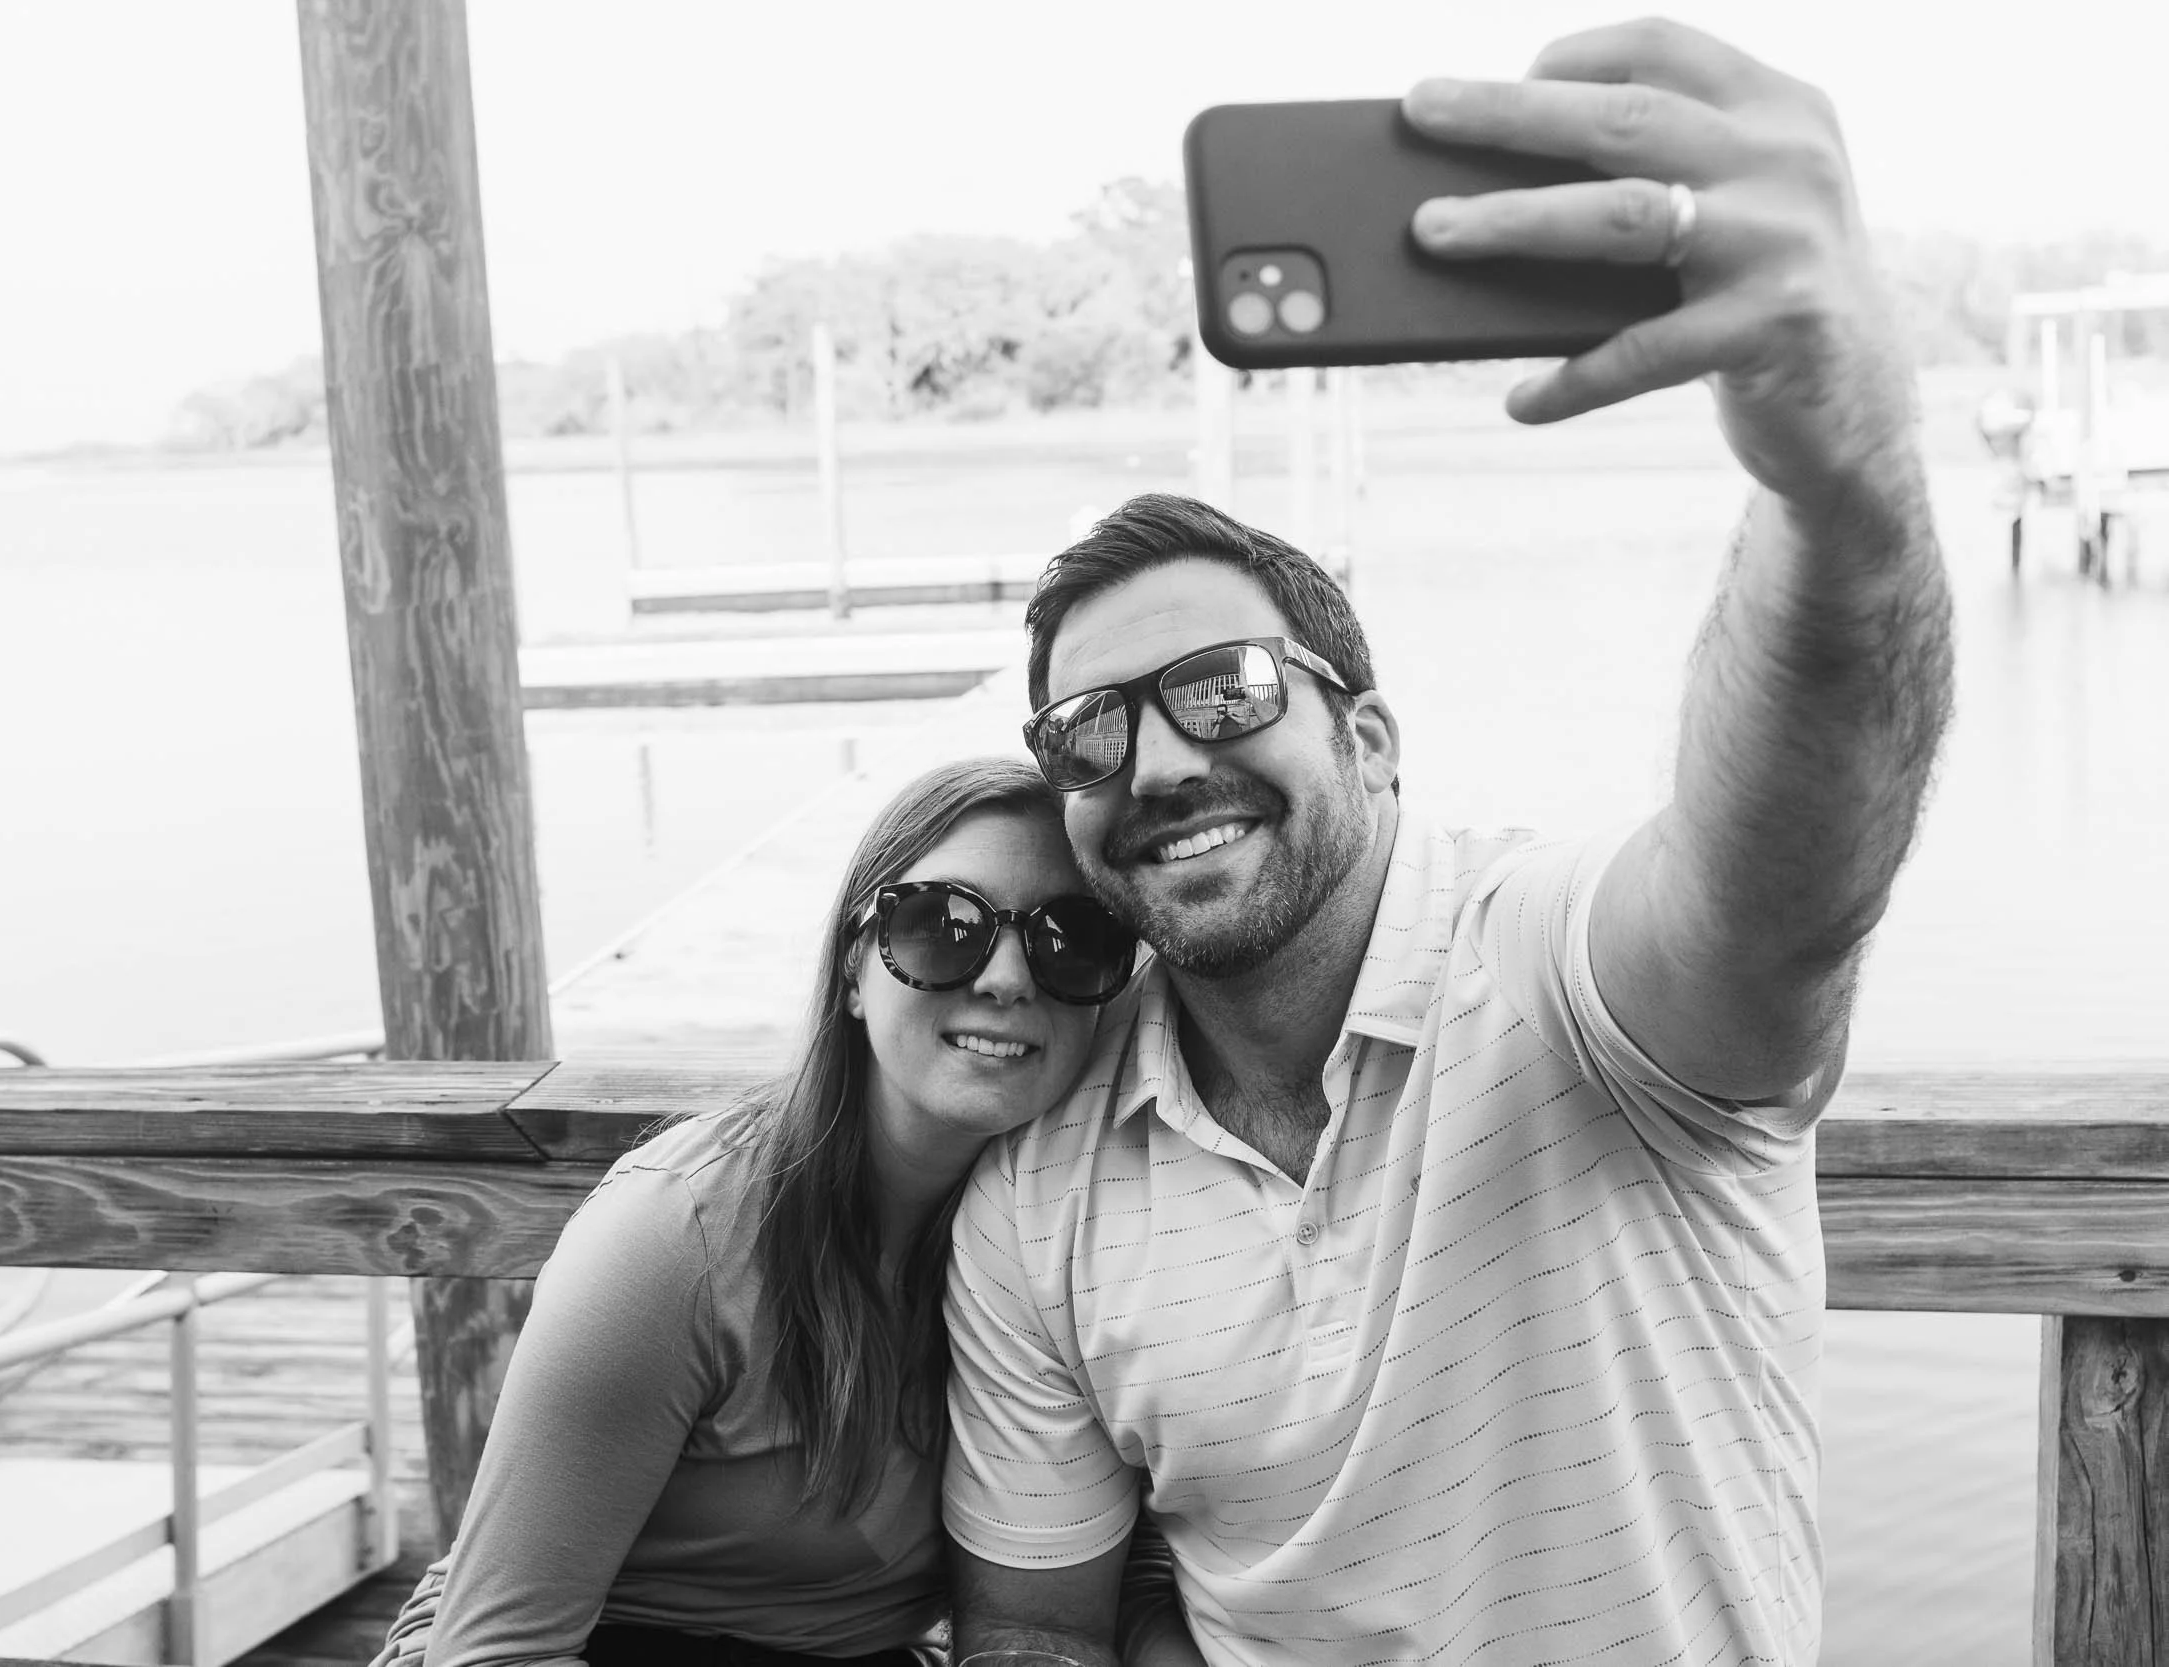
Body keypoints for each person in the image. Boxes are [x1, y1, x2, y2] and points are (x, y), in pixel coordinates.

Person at [944, 19, 1953, 1667]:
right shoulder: (1042, 1188)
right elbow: (1032, 1630)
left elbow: (1782, 891)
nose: (1160, 761)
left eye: (1223, 687)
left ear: (1370, 739)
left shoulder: (1561, 979)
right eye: (1088, 729)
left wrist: (1841, 488)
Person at [369, 757, 1163, 1666]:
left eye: (1073, 939)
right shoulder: (676, 1239)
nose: (1008, 978)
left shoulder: (1069, 1244)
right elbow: (492, 1649)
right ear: (854, 969)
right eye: (944, 925)